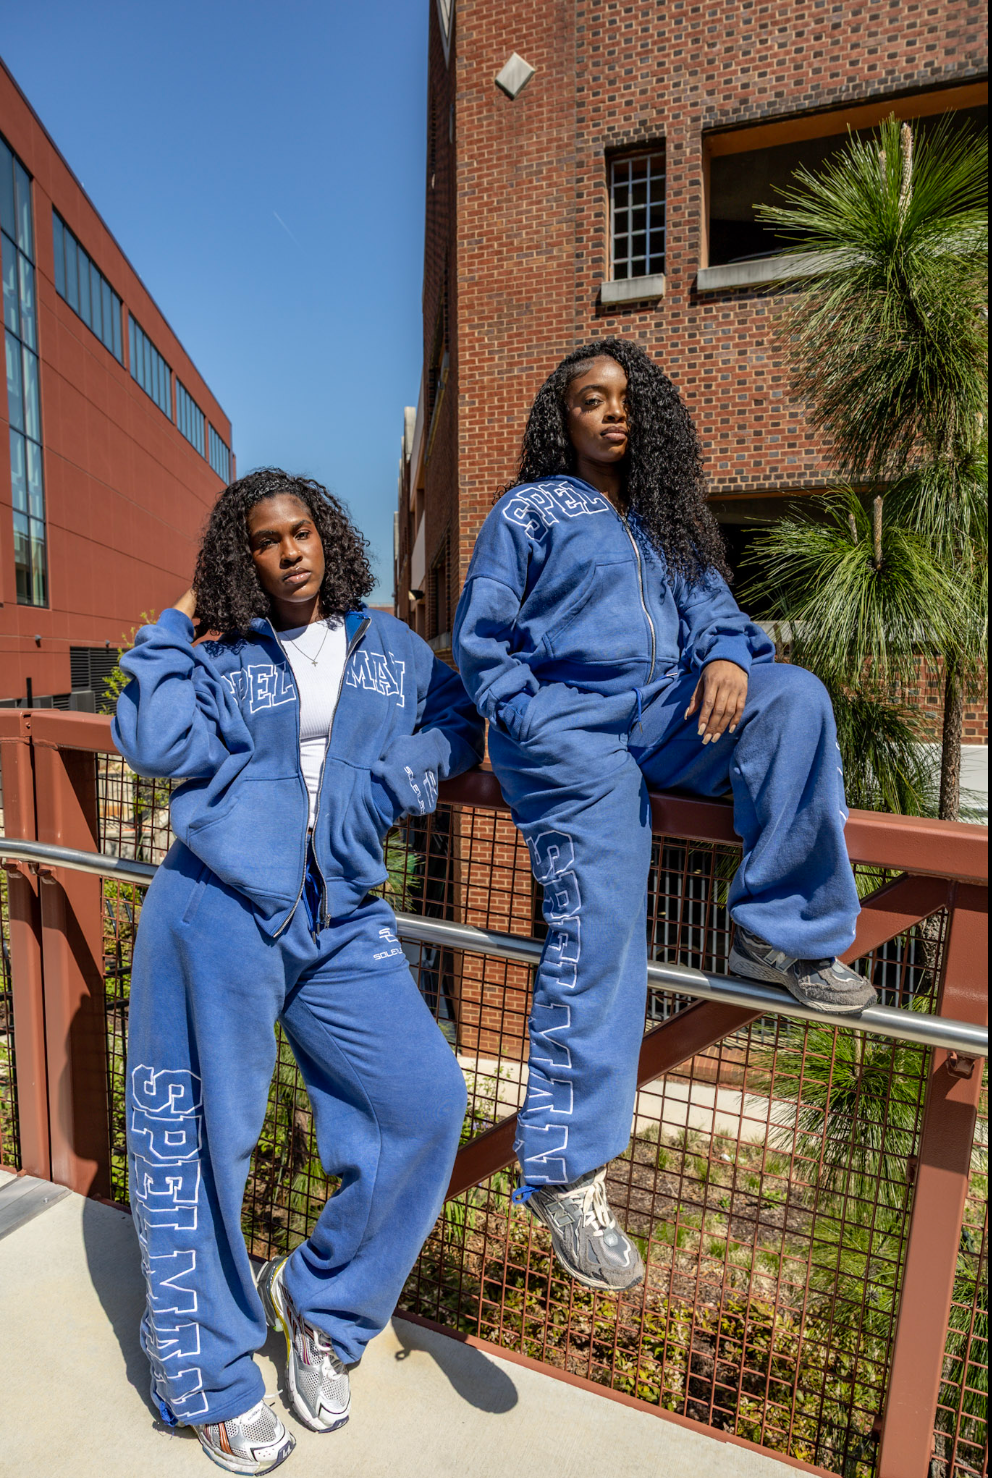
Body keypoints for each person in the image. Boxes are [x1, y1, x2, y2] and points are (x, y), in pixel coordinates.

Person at [452, 338, 873, 1295]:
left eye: (625, 399)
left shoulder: (665, 520)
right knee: (602, 931)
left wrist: (729, 658)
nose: (611, 413)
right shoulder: (529, 511)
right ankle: (568, 1167)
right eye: (588, 400)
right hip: (572, 738)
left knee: (793, 698)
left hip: (665, 716)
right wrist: (536, 718)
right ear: (559, 420)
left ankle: (779, 935)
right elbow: (482, 642)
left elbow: (719, 615)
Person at [113, 469, 483, 1475]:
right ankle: (206, 1375)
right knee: (202, 1143)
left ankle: (321, 1307)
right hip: (218, 912)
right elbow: (147, 737)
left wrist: (423, 755)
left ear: (330, 538)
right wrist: (181, 613)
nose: (289, 552)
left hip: (340, 911)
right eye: (265, 540)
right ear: (244, 558)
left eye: (302, 531)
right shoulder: (218, 651)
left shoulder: (389, 648)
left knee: (425, 1099)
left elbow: (456, 716)